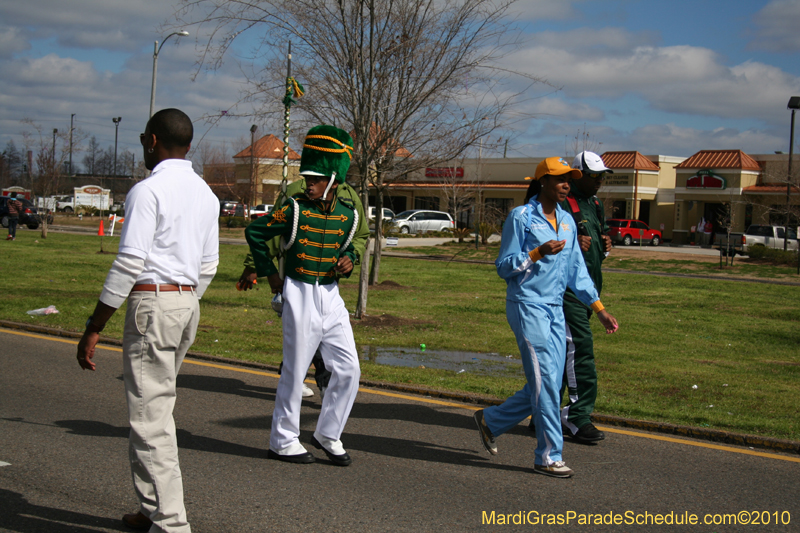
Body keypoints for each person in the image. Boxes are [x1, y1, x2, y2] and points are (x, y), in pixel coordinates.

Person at [76, 108, 220, 532]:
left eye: (143, 139)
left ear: (152, 140)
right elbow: (209, 265)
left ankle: (172, 524)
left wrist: (95, 324)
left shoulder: (148, 190)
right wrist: (184, 302)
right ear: (189, 145)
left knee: (149, 418)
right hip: (186, 304)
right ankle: (152, 508)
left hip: (152, 304)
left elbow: (130, 262)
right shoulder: (207, 195)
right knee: (155, 409)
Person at [473, 157, 618, 478]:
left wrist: (600, 308)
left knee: (548, 382)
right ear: (543, 182)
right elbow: (504, 266)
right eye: (560, 179)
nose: (567, 184)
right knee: (546, 383)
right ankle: (549, 455)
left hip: (555, 309)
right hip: (527, 306)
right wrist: (538, 252)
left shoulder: (566, 221)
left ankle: (491, 420)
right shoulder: (521, 217)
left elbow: (576, 272)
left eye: (570, 179)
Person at [245, 125, 361, 466]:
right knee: (295, 370)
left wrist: (349, 261)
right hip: (298, 291)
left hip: (331, 296)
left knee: (349, 369)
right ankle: (282, 440)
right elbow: (255, 231)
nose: (308, 182)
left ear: (333, 179)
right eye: (307, 176)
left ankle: (328, 433)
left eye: (316, 178)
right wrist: (271, 277)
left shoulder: (348, 215)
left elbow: (349, 246)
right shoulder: (293, 210)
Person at [238, 176, 369, 399]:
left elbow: (360, 234)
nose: (311, 183)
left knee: (334, 349)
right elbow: (270, 231)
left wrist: (351, 256)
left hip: (329, 285)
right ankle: (303, 381)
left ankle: (316, 384)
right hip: (298, 280)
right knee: (302, 340)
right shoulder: (294, 193)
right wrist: (256, 266)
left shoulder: (350, 195)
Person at [555, 151, 614, 443]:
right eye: (594, 176)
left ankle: (545, 413)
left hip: (588, 289)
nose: (600, 181)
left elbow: (598, 243)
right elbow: (547, 241)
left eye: (602, 175)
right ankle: (577, 416)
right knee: (580, 349)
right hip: (566, 293)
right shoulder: (562, 203)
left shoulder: (595, 204)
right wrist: (571, 243)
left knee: (562, 356)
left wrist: (605, 243)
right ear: (578, 175)